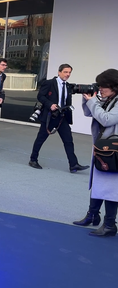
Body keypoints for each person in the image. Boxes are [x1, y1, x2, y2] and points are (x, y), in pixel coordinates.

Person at [73, 69, 118, 237]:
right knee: (99, 184)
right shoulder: (109, 99)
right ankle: (92, 215)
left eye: (103, 86)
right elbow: (89, 113)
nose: (100, 89)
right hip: (103, 149)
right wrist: (88, 99)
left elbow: (107, 119)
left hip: (113, 152)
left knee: (111, 189)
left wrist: (93, 102)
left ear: (114, 86)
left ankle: (109, 225)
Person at [28, 64, 89, 173]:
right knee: (41, 138)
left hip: (62, 117)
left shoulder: (68, 86)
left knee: (68, 140)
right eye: (65, 72)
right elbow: (40, 96)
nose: (68, 74)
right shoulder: (49, 83)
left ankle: (73, 164)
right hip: (50, 116)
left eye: (69, 72)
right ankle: (33, 159)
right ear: (59, 72)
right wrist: (50, 104)